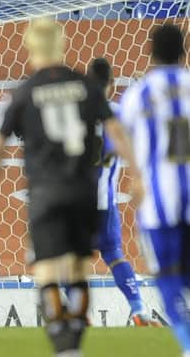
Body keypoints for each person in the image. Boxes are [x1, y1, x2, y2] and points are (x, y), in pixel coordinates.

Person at [0, 18, 144, 357]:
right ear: (63, 44)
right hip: (85, 193)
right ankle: (79, 343)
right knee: (83, 268)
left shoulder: (25, 91)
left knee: (47, 270)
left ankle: (62, 345)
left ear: (29, 48)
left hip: (45, 192)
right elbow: (116, 132)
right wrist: (138, 175)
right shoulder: (85, 87)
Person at [118, 24, 190, 356]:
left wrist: (136, 176)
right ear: (183, 51)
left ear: (151, 53)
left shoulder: (137, 95)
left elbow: (117, 141)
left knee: (169, 280)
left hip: (157, 208)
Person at [87, 57, 158, 327]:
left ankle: (78, 312)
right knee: (114, 254)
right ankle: (138, 307)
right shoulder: (118, 113)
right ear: (111, 83)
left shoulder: (74, 112)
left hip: (72, 200)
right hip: (104, 200)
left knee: (68, 257)